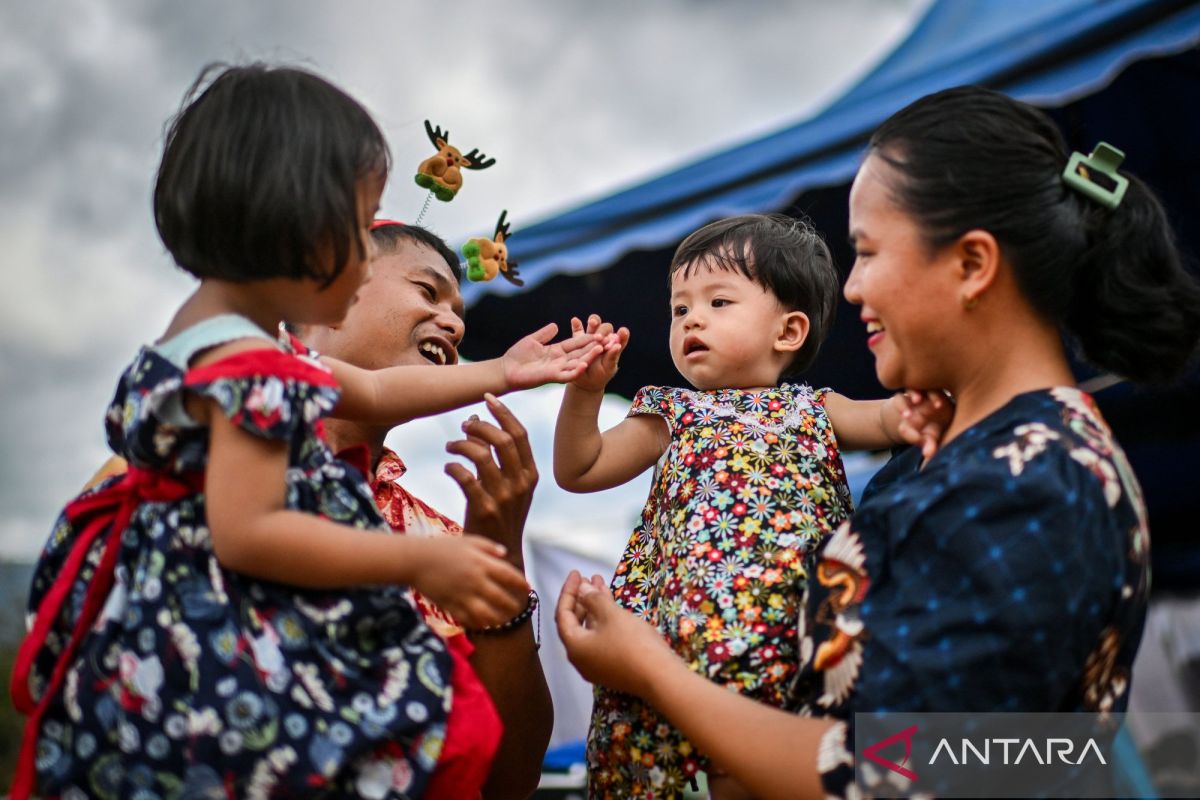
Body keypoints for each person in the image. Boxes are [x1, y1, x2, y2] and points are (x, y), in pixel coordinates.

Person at [555, 85, 1200, 800]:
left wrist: (653, 674)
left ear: (972, 264)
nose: (853, 288)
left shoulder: (1033, 479)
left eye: (866, 253)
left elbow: (929, 769)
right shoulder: (981, 458)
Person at [10, 63, 606, 799]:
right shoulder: (254, 374)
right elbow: (251, 532)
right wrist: (416, 567)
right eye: (363, 229)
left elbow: (384, 387)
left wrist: (502, 372)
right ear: (299, 224)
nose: (455, 321)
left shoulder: (215, 355)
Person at [553, 214, 950, 797]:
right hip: (692, 636)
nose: (692, 319)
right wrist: (584, 394)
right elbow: (580, 468)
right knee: (725, 764)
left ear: (787, 332)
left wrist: (929, 402)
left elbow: (891, 417)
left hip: (800, 628)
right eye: (679, 308)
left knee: (795, 753)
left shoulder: (816, 408)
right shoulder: (669, 413)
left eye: (718, 301)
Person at [302, 219, 554, 798]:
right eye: (427, 291)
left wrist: (499, 557)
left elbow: (511, 778)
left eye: (458, 310)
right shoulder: (201, 464)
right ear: (328, 292)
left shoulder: (438, 545)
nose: (456, 323)